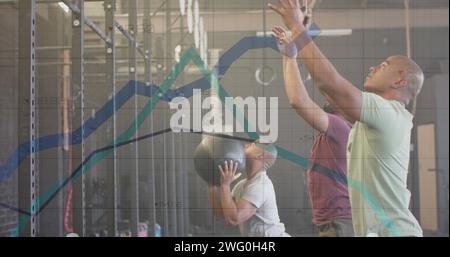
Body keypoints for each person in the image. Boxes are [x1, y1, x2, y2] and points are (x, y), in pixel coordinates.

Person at [269, 0, 424, 237]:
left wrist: (297, 27)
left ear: (400, 81)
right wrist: (295, 47)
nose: (373, 67)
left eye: (383, 66)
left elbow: (328, 84)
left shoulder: (390, 114)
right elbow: (326, 89)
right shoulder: (366, 126)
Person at [273, 25, 353, 237]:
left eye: (332, 94)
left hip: (340, 223)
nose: (326, 95)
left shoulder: (342, 128)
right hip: (334, 220)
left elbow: (299, 101)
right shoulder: (336, 129)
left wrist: (290, 57)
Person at [207, 141, 290, 237]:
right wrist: (211, 184)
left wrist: (225, 185)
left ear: (260, 155)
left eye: (250, 145)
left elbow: (234, 219)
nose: (245, 145)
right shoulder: (241, 185)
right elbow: (221, 214)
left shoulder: (261, 185)